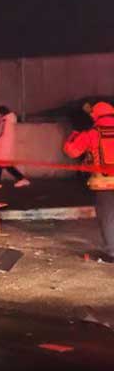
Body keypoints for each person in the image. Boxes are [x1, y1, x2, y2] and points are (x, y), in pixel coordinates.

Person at [63, 101, 114, 262]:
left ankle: (112, 252)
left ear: (95, 115)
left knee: (108, 217)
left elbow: (71, 150)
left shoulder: (92, 133)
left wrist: (76, 132)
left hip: (103, 182)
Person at [0, 105, 29, 189]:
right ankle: (21, 179)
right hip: (2, 145)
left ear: (1, 113)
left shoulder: (6, 121)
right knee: (5, 165)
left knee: (0, 164)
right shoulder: (5, 121)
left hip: (3, 146)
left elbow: (5, 134)